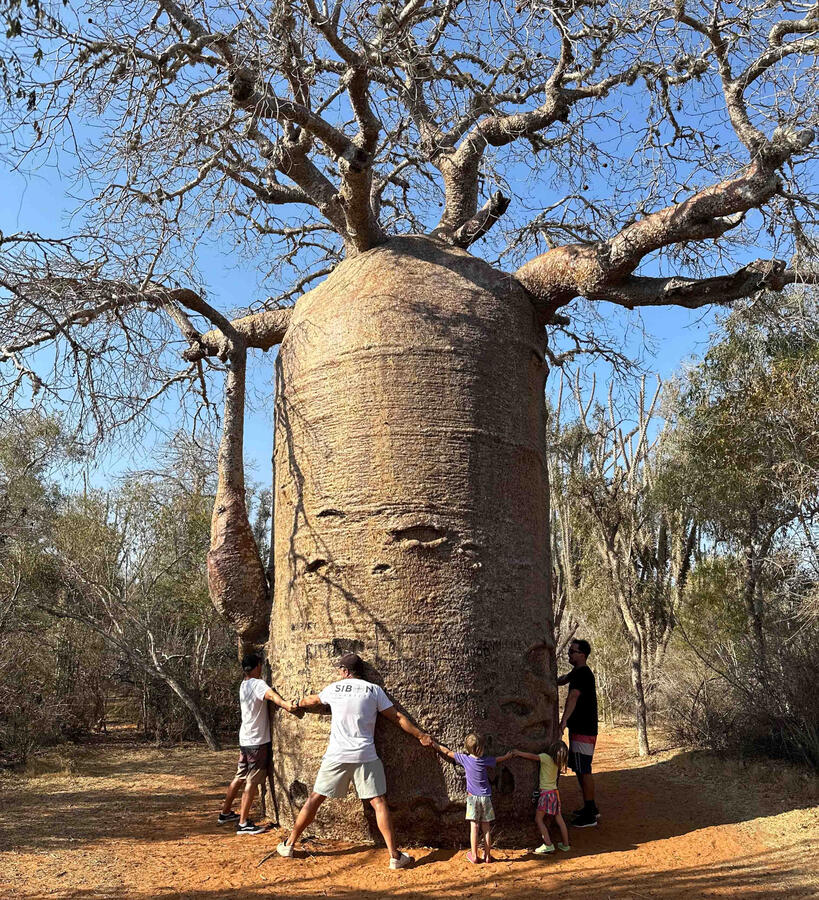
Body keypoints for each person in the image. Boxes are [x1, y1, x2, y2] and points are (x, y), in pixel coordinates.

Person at [276, 652, 431, 870]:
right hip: (364, 754)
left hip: (336, 755)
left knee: (315, 798)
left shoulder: (334, 689)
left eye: (340, 670)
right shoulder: (374, 690)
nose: (339, 673)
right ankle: (394, 856)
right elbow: (396, 717)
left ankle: (289, 844)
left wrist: (296, 703)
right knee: (379, 803)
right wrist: (420, 735)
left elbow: (313, 700)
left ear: (346, 672)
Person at [219, 651, 300, 835]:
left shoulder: (244, 684)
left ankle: (225, 813)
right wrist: (287, 705)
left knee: (240, 776)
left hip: (245, 739)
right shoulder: (258, 684)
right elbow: (271, 696)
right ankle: (243, 823)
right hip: (257, 741)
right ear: (257, 667)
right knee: (252, 781)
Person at [432, 733, 513, 864]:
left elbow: (447, 752)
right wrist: (507, 756)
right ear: (480, 749)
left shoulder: (465, 759)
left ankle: (474, 855)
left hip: (472, 798)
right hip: (485, 797)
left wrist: (434, 744)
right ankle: (487, 856)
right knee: (486, 828)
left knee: (474, 827)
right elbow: (498, 759)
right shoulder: (484, 760)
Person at [558, 638, 599, 827]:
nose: (569, 654)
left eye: (573, 651)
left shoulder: (582, 674)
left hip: (584, 728)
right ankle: (590, 807)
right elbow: (564, 679)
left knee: (584, 770)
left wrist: (563, 721)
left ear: (582, 655)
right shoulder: (577, 672)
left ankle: (590, 814)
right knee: (580, 769)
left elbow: (573, 697)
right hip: (580, 729)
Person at [512, 740, 571, 853]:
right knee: (559, 819)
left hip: (546, 795)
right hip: (555, 794)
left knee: (539, 819)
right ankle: (566, 844)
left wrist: (519, 753)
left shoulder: (545, 758)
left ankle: (548, 844)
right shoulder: (558, 763)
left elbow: (531, 756)